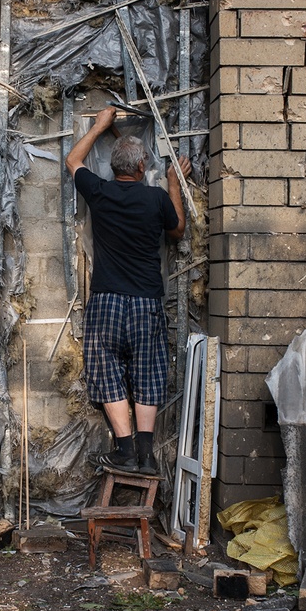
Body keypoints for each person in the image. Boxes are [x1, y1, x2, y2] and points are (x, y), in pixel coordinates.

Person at [65, 106, 190, 475]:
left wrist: (100, 125)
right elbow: (178, 230)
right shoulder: (155, 200)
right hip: (146, 300)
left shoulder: (99, 192)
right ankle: (147, 455)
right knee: (148, 371)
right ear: (139, 169)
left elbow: (73, 160)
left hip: (106, 301)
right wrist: (171, 182)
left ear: (114, 168)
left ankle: (124, 450)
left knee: (105, 369)